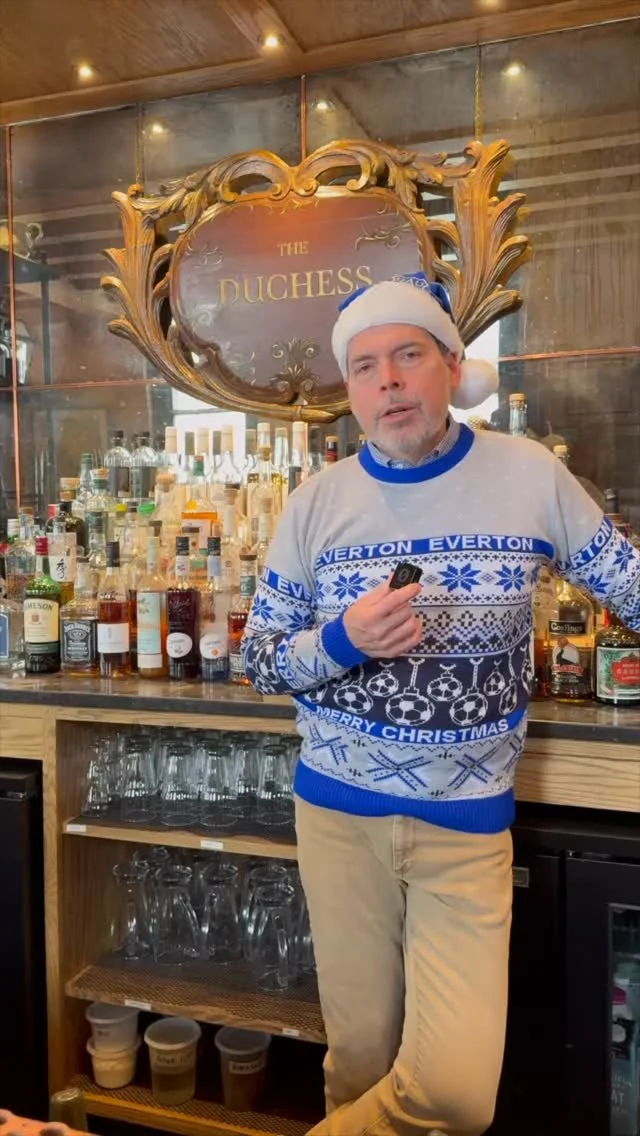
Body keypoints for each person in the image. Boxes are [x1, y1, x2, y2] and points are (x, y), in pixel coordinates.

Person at [242, 272, 640, 1136]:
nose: (388, 381)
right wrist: (344, 640)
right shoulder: (317, 503)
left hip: (465, 829)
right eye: (365, 366)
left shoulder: (528, 474)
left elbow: (631, 587)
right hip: (339, 821)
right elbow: (261, 660)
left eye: (409, 356)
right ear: (351, 391)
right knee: (359, 1067)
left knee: (452, 1097)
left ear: (452, 367)